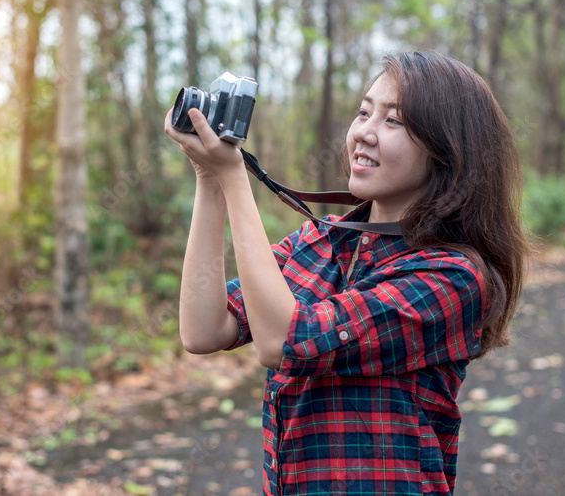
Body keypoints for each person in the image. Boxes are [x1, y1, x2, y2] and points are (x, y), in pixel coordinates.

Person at [163, 51, 527, 495]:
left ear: (447, 149)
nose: (364, 134)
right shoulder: (319, 242)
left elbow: (285, 341)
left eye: (393, 121)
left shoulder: (453, 277)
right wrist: (209, 178)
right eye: (363, 112)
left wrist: (236, 178)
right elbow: (204, 330)